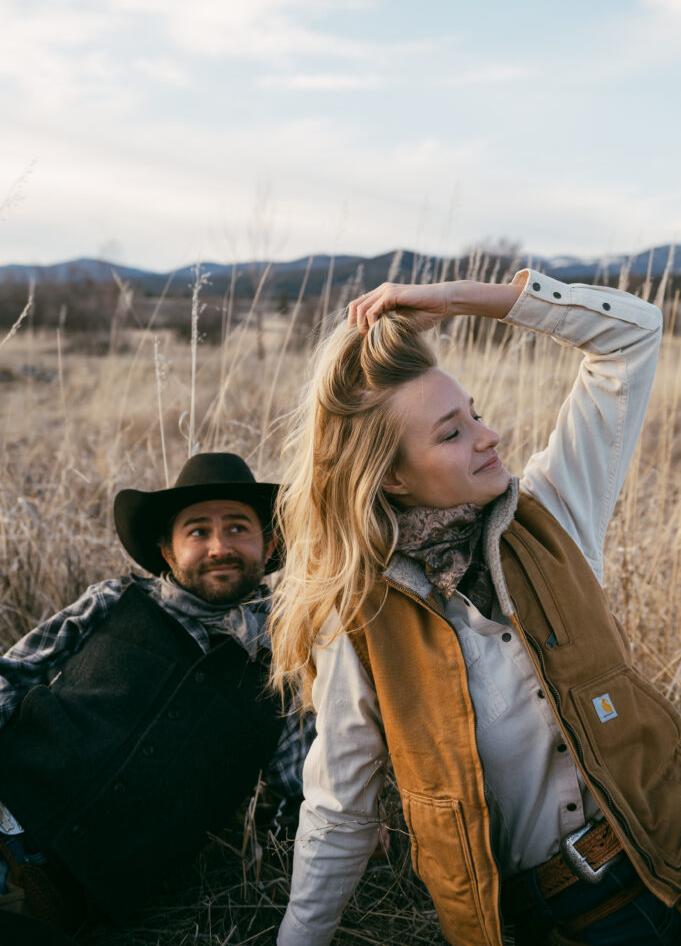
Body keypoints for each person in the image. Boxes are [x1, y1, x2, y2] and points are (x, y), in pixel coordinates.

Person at [270, 270, 681, 946]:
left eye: (476, 413)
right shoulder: (359, 623)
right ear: (392, 476)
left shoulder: (550, 512)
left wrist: (462, 301)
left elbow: (632, 334)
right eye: (451, 433)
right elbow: (339, 811)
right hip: (571, 922)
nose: (488, 437)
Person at [0, 452, 315, 939]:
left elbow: (300, 803)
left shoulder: (285, 669)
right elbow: (12, 674)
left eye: (237, 528)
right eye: (197, 532)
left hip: (67, 897)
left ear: (269, 545)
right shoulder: (113, 600)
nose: (218, 547)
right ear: (168, 552)